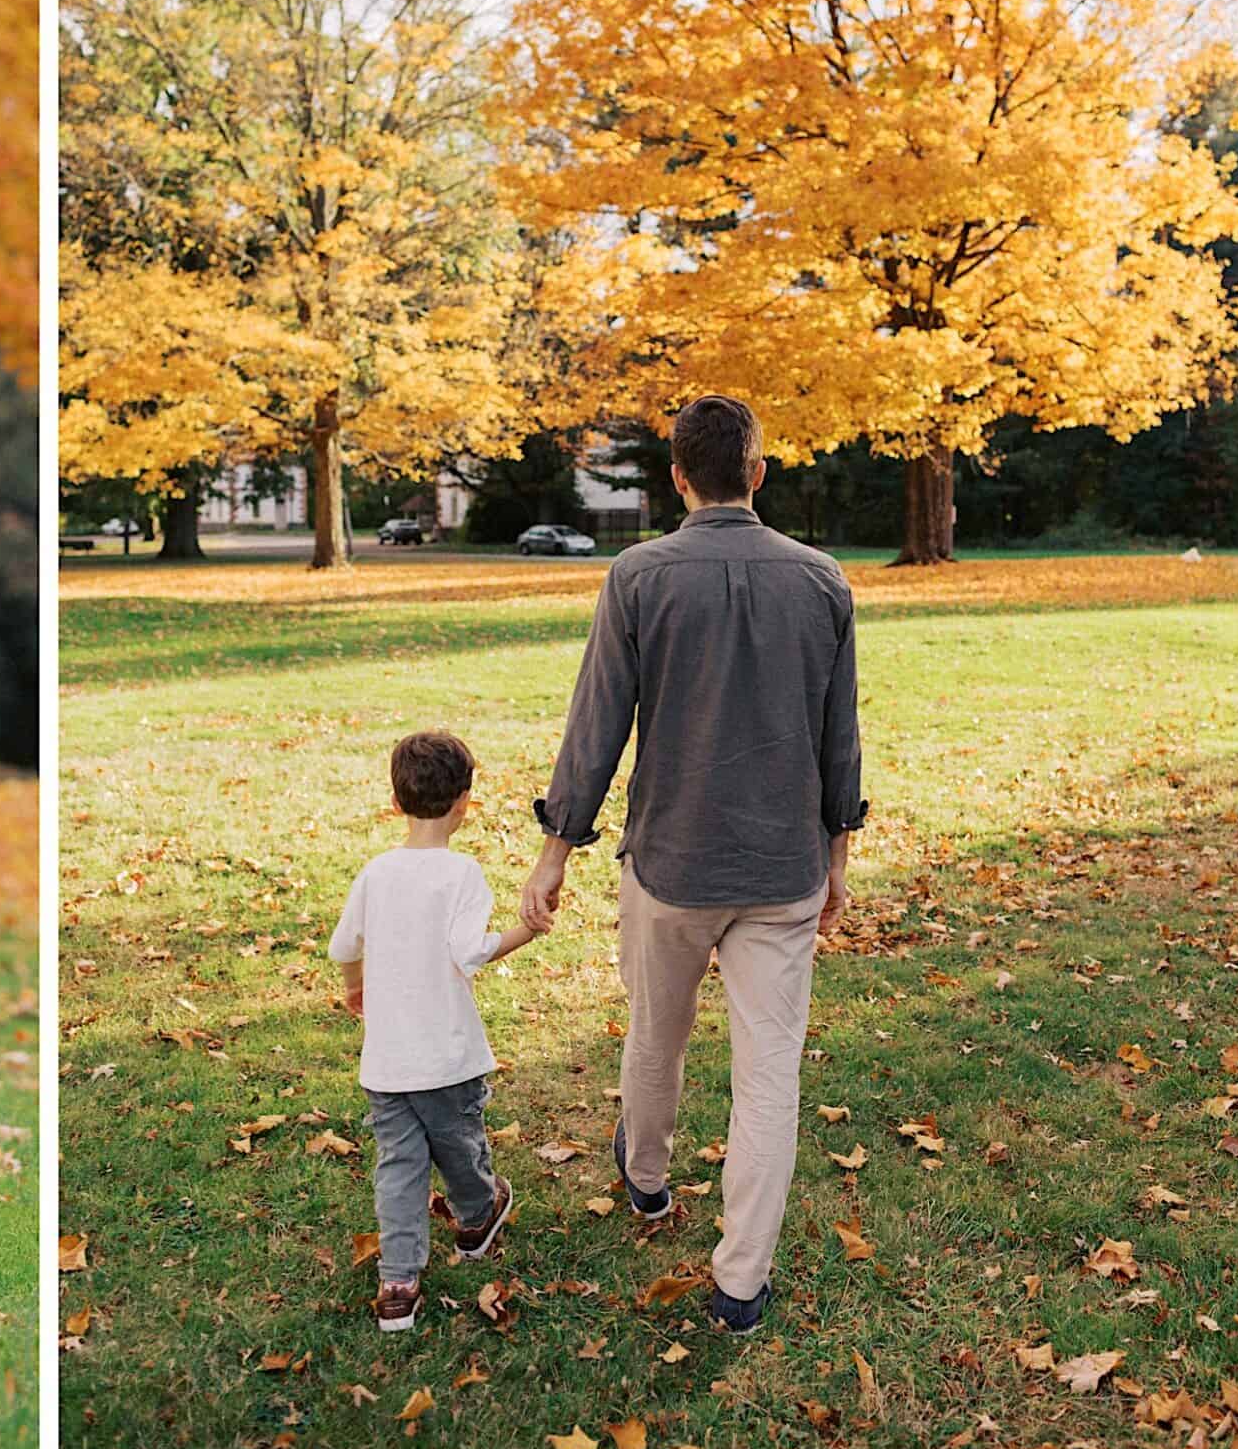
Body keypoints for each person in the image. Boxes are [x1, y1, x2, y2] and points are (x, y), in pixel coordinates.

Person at [521, 395, 867, 1336]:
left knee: (656, 1033)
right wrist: (839, 852)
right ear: (756, 474)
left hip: (670, 862)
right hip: (782, 868)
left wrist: (557, 849)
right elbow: (844, 740)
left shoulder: (640, 575)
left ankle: (645, 1177)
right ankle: (741, 1280)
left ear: (678, 478)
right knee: (768, 1075)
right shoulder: (822, 578)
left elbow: (595, 726)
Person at [329, 730, 550, 1334]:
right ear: (464, 803)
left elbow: (344, 944)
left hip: (386, 1065)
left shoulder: (375, 874)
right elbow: (469, 951)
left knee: (398, 1164)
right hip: (447, 1059)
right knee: (458, 1147)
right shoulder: (460, 874)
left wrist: (357, 985)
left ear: (395, 802)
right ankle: (477, 1217)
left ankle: (398, 1284)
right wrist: (526, 933)